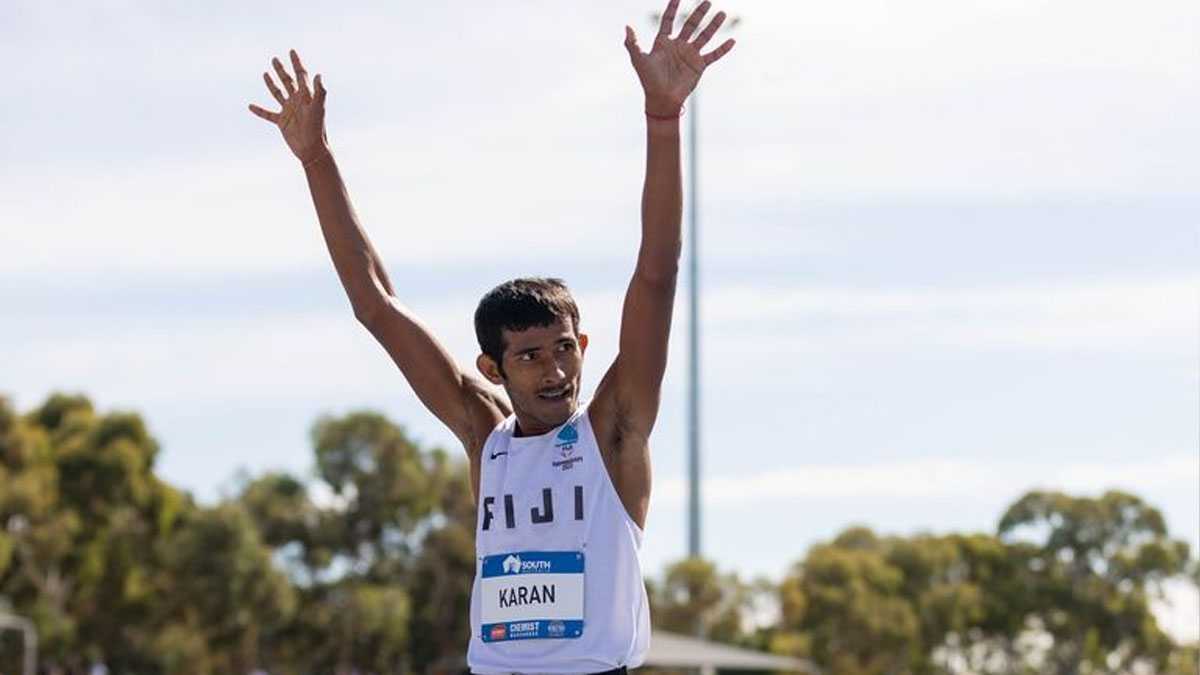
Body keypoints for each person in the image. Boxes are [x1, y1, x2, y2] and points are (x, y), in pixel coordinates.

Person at [249, 2, 734, 672]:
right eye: (529, 356)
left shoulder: (614, 430)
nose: (554, 370)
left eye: (563, 348)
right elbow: (376, 305)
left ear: (583, 348)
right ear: (493, 367)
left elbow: (657, 275)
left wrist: (663, 118)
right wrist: (316, 158)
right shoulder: (486, 436)